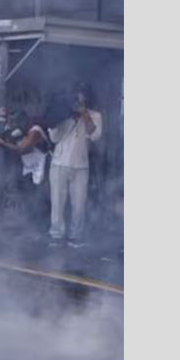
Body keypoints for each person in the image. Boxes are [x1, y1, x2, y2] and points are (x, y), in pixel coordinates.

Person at [47, 84, 103, 247]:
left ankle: (76, 235)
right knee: (57, 202)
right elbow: (54, 139)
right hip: (59, 164)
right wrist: (57, 123)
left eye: (80, 99)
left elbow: (95, 135)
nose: (77, 102)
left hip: (81, 166)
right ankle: (56, 234)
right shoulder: (64, 115)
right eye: (75, 99)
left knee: (79, 204)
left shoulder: (95, 116)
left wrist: (84, 114)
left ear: (86, 99)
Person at [0, 110, 51, 232]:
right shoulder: (20, 131)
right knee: (30, 198)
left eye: (16, 122)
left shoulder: (35, 131)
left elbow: (21, 149)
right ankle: (31, 227)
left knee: (41, 199)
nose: (14, 125)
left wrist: (2, 143)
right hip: (29, 169)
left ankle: (42, 228)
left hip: (43, 168)